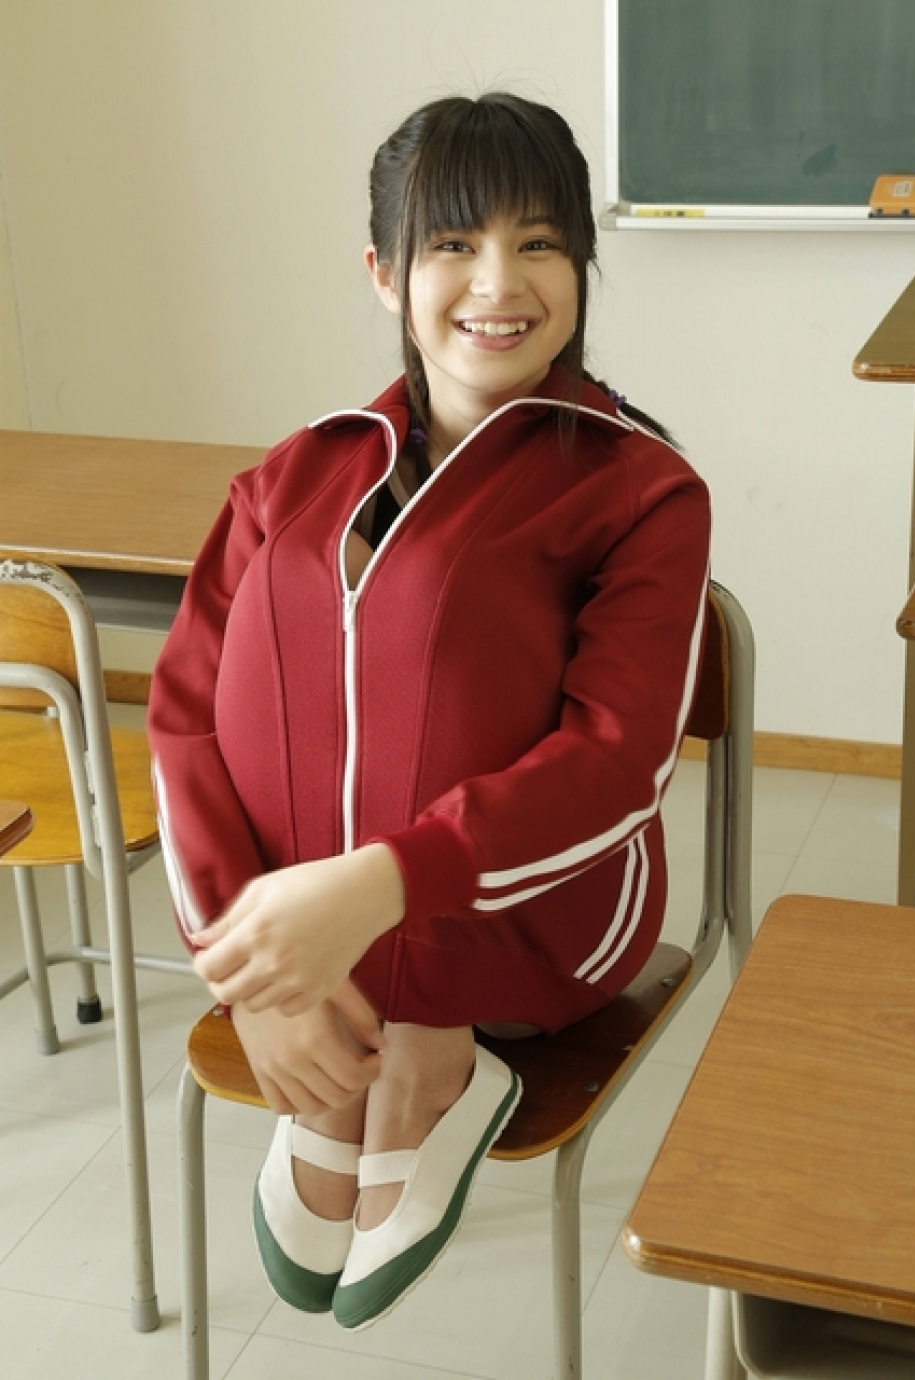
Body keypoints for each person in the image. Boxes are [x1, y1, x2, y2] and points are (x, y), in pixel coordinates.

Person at [147, 91, 711, 1330]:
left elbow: (615, 762)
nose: (497, 282)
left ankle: (429, 1051)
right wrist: (249, 969)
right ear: (384, 273)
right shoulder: (293, 473)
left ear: (580, 264)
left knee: (438, 621)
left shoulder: (640, 490)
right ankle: (374, 1034)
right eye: (452, 243)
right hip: (305, 932)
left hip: (534, 930)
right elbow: (184, 718)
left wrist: (379, 890)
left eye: (538, 242)